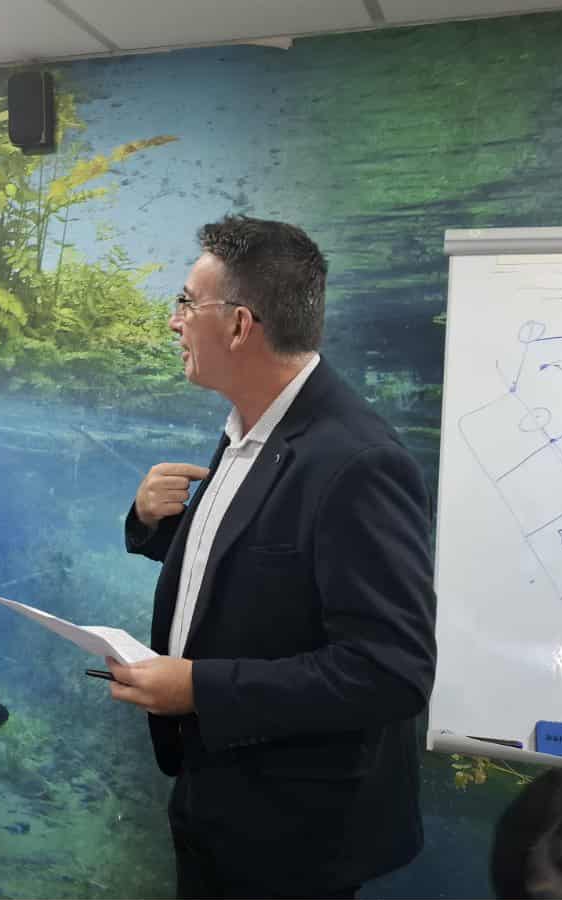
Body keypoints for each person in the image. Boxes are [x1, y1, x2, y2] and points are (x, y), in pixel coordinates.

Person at [112, 216, 437, 899]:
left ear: (239, 325)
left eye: (186, 302)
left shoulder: (359, 462)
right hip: (215, 797)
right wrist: (150, 524)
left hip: (294, 834)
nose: (174, 321)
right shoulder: (251, 427)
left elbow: (390, 672)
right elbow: (266, 568)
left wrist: (198, 688)